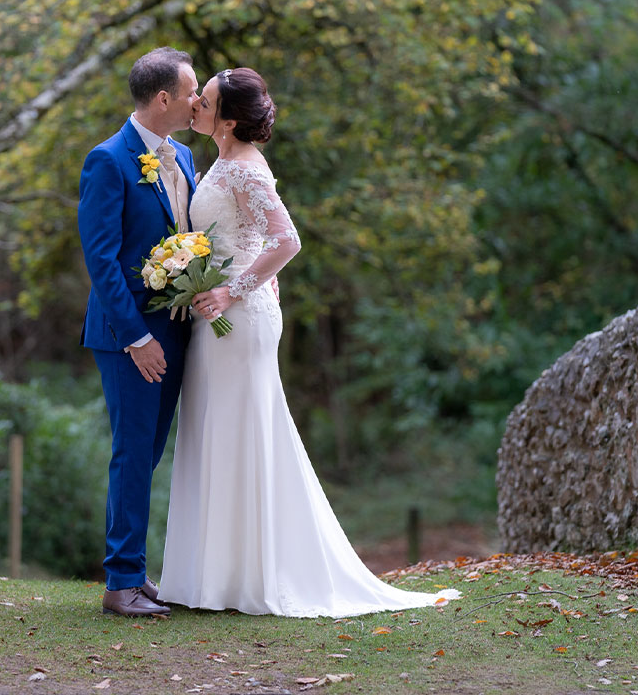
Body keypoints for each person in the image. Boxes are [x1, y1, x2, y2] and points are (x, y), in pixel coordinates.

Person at [158, 67, 461, 617]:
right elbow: (240, 236)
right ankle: (213, 577)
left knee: (240, 431)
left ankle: (249, 578)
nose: (194, 107)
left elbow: (286, 239)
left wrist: (232, 289)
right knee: (214, 431)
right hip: (218, 316)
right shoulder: (220, 161)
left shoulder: (246, 169)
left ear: (227, 121)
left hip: (239, 319)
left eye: (203, 102)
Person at [78, 47, 199, 617]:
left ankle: (135, 572)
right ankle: (121, 581)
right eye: (191, 90)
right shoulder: (109, 160)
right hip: (129, 337)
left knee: (148, 454)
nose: (198, 99)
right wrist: (137, 337)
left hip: (176, 329)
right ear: (163, 99)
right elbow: (101, 261)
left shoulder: (187, 158)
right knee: (132, 453)